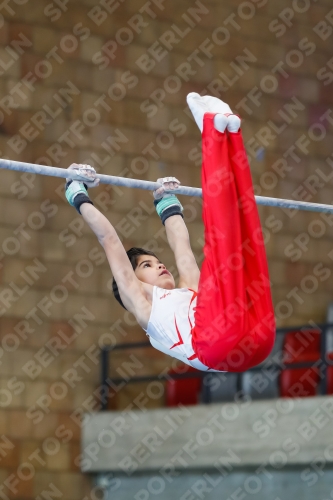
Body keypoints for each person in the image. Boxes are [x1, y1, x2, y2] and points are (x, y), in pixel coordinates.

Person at [65, 94, 275, 372]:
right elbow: (110, 239)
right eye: (147, 265)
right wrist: (77, 193)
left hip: (257, 340)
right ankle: (212, 133)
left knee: (245, 237)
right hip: (216, 345)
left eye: (155, 261)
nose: (160, 265)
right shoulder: (140, 302)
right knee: (223, 243)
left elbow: (182, 248)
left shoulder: (189, 292)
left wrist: (166, 203)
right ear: (133, 278)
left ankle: (229, 133)